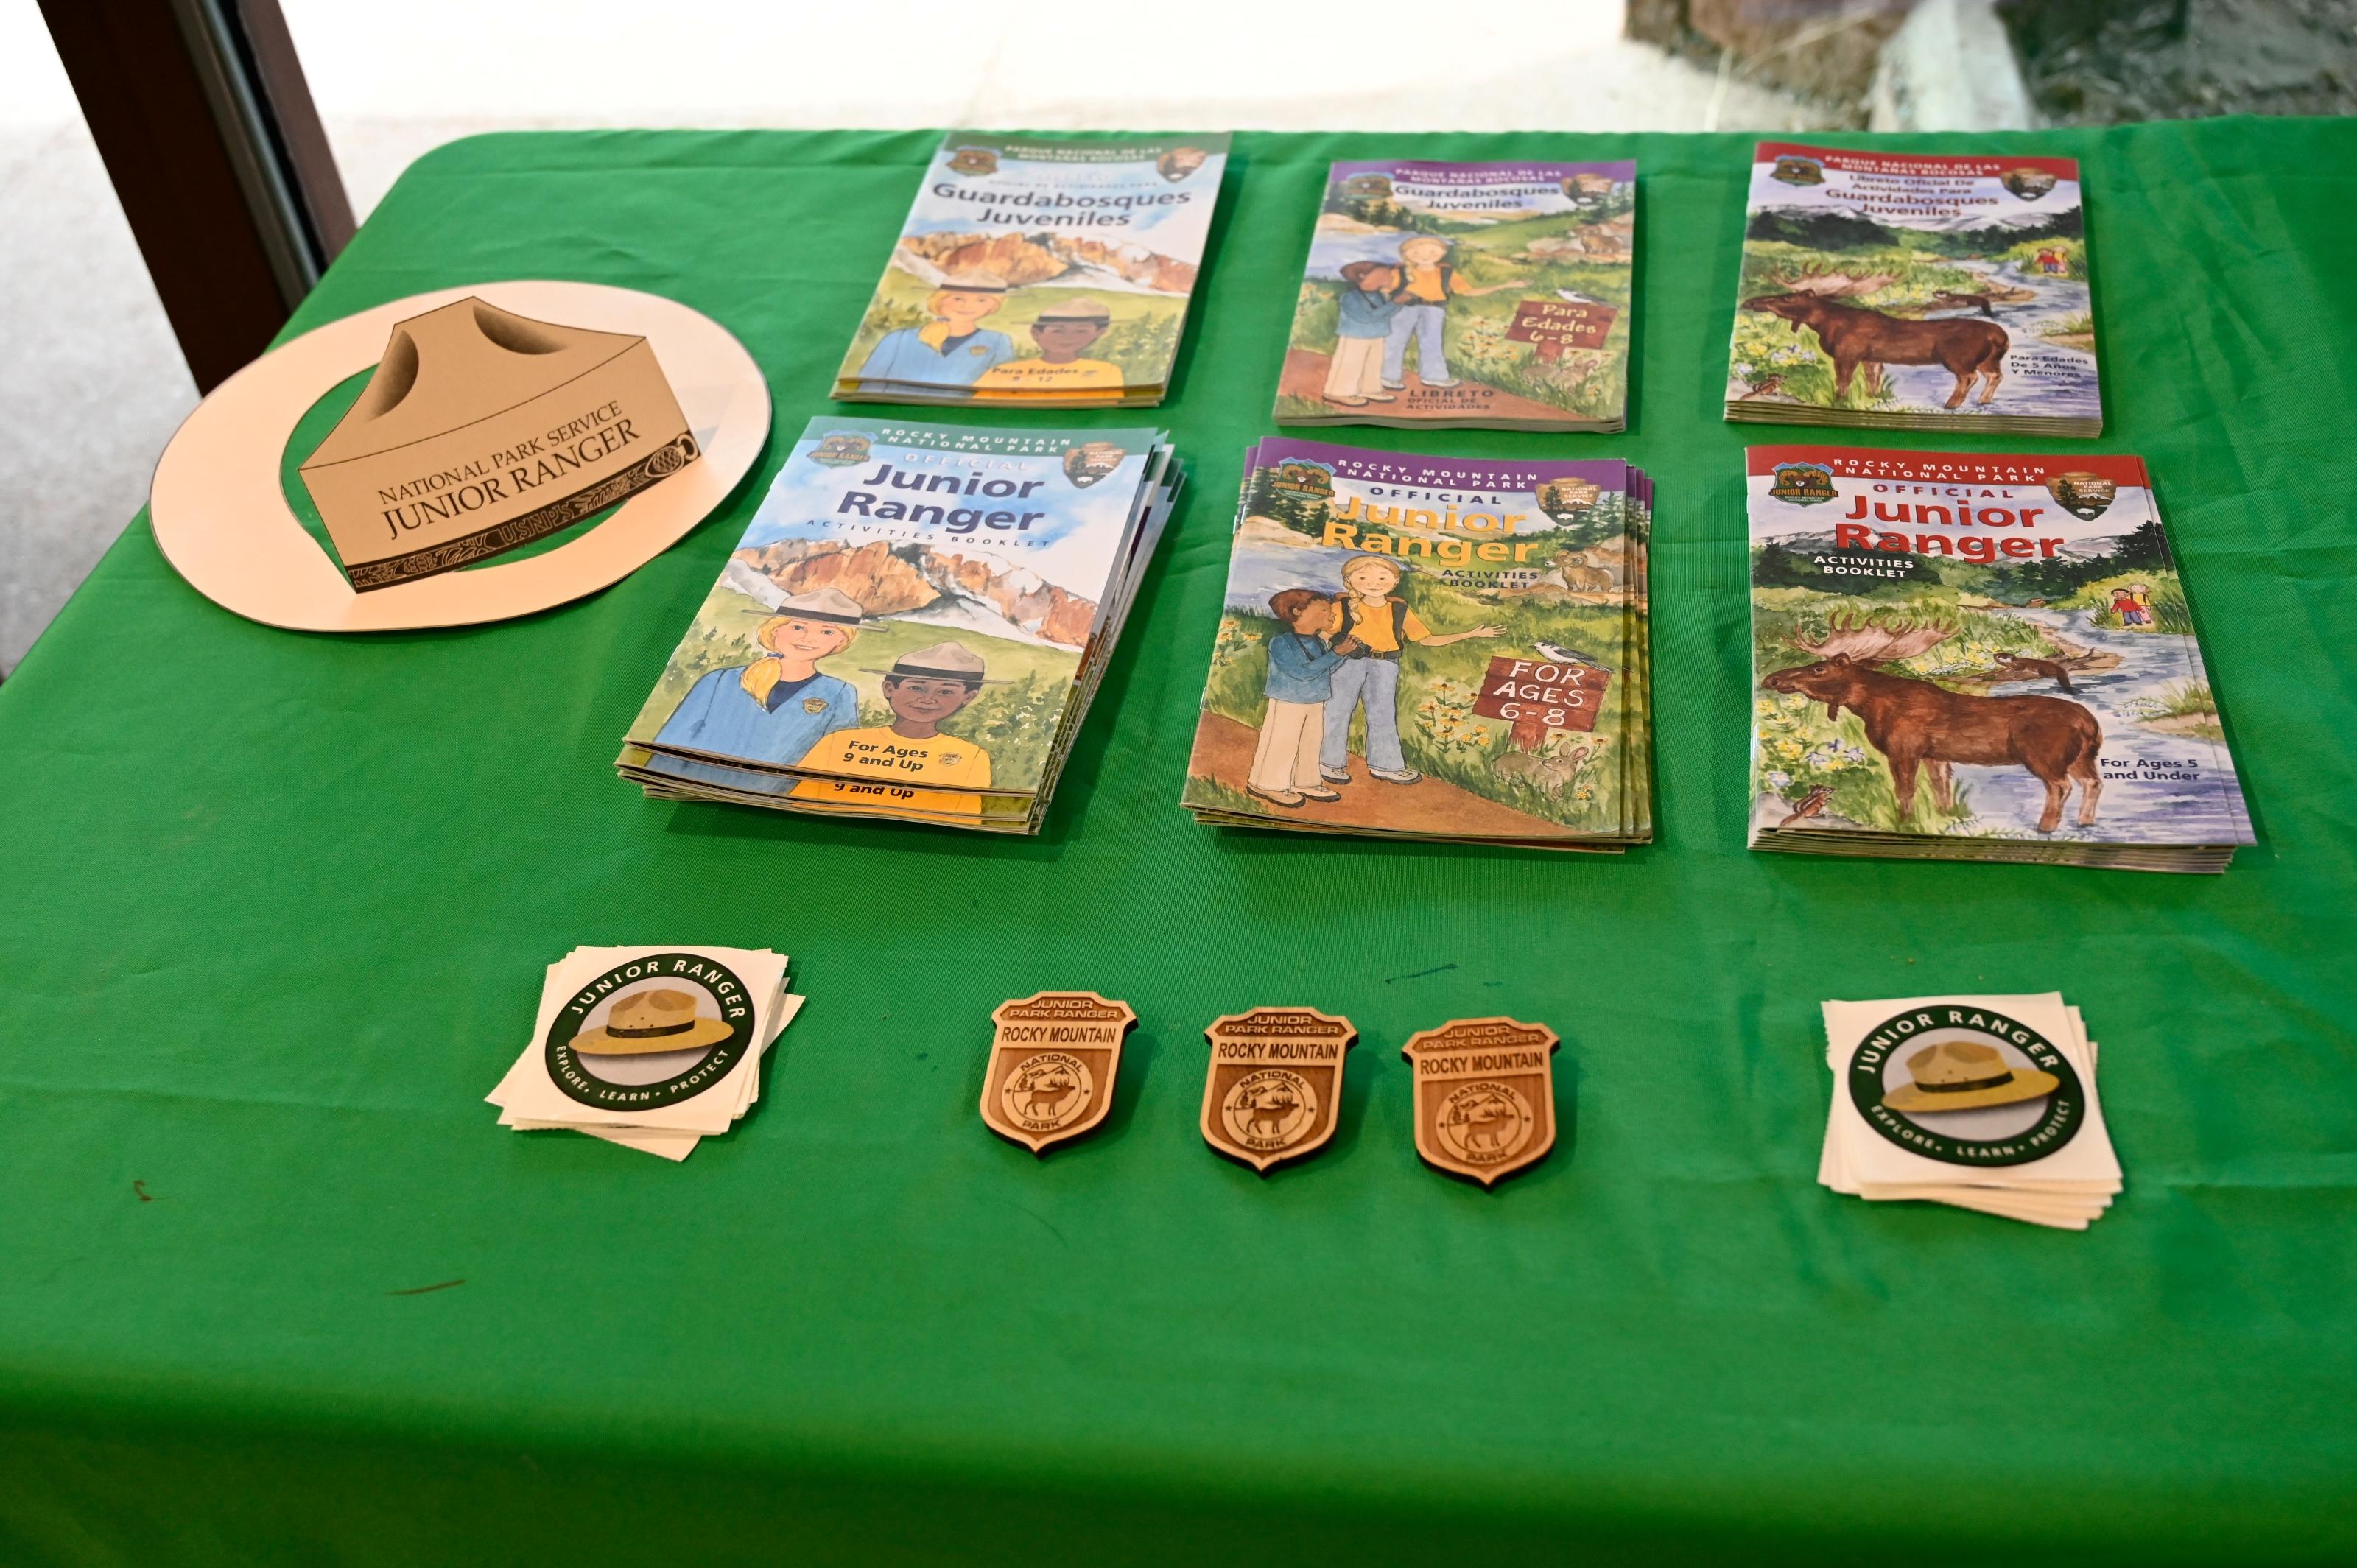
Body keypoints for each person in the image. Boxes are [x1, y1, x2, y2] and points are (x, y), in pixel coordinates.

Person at [1321, 557, 1500, 786]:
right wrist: (1339, 646)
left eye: (1382, 578)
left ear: (1394, 581)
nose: (1373, 583)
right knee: (1337, 710)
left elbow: (1427, 640)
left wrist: (1470, 634)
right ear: (1349, 581)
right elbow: (1320, 630)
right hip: (1347, 662)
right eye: (1363, 577)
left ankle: (1386, 766)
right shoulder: (1341, 607)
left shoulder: (1399, 610)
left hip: (1386, 665)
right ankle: (1328, 763)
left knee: (1383, 714)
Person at [653, 589, 865, 770]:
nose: (808, 638)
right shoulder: (719, 681)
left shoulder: (839, 693)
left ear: (841, 640)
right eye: (798, 627)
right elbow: (669, 747)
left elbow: (836, 758)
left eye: (827, 632)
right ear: (775, 629)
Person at [791, 641, 997, 816]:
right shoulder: (839, 742)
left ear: (968, 698)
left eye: (946, 691)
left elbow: (965, 818)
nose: (928, 699)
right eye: (916, 688)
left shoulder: (971, 756)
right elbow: (800, 805)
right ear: (889, 688)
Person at [1381, 235, 1528, 390]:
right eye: (1417, 253)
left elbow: (1468, 292)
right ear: (1407, 255)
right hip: (1404, 309)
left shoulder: (1446, 272)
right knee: (1395, 341)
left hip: (1434, 309)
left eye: (1432, 253)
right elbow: (1383, 290)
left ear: (1442, 253)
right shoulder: (1399, 272)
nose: (1425, 257)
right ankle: (1388, 376)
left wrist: (1505, 285)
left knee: (1432, 343)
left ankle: (1434, 376)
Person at [1248, 590, 1350, 808]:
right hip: (1288, 700)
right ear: (1298, 611)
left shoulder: (1319, 643)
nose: (1331, 616)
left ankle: (1305, 782)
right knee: (1283, 742)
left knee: (1311, 743)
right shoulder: (1281, 642)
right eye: (1324, 610)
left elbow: (1326, 671)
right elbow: (1303, 673)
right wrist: (1336, 654)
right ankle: (1268, 784)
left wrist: (1344, 653)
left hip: (1315, 699)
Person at [854, 271, 1015, 391]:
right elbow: (869, 384)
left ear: (992, 306)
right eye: (958, 298)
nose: (967, 306)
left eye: (981, 300)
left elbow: (999, 386)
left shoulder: (998, 341)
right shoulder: (898, 339)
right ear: (940, 300)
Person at [970, 298, 1124, 398]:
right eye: (1058, 330)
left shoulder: (1107, 371)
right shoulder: (1001, 372)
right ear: (1036, 333)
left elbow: (1107, 410)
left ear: (1098, 333)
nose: (1068, 338)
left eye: (1081, 331)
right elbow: (977, 406)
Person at [1323, 261, 1402, 407]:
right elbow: (1368, 317)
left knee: (1374, 363)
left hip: (1377, 334)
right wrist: (1394, 303)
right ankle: (1339, 392)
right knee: (1351, 363)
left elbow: (1387, 314)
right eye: (1383, 273)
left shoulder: (1378, 295)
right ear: (1363, 276)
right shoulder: (1351, 297)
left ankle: (1370, 389)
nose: (1389, 276)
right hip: (1355, 336)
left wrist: (1399, 303)